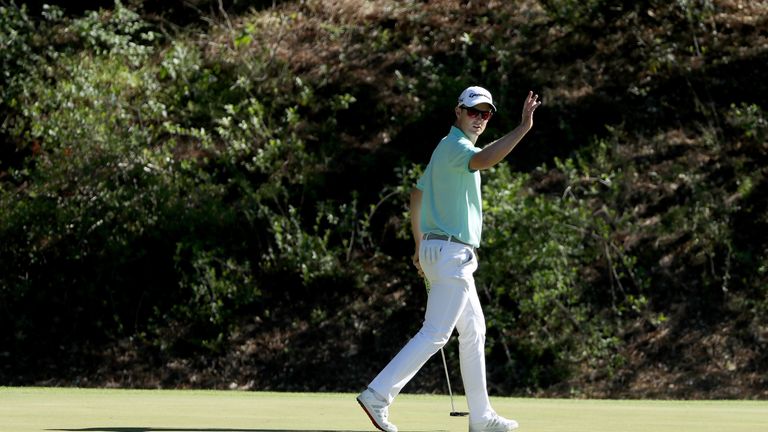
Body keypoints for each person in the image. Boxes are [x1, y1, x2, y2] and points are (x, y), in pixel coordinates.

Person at [356, 86, 541, 432]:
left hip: (440, 251)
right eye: (474, 112)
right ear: (458, 111)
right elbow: (485, 160)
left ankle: (481, 416)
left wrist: (418, 242)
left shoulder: (443, 149)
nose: (479, 119)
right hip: (452, 253)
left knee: (474, 331)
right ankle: (378, 395)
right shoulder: (457, 148)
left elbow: (417, 193)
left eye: (486, 114)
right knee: (436, 333)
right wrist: (523, 128)